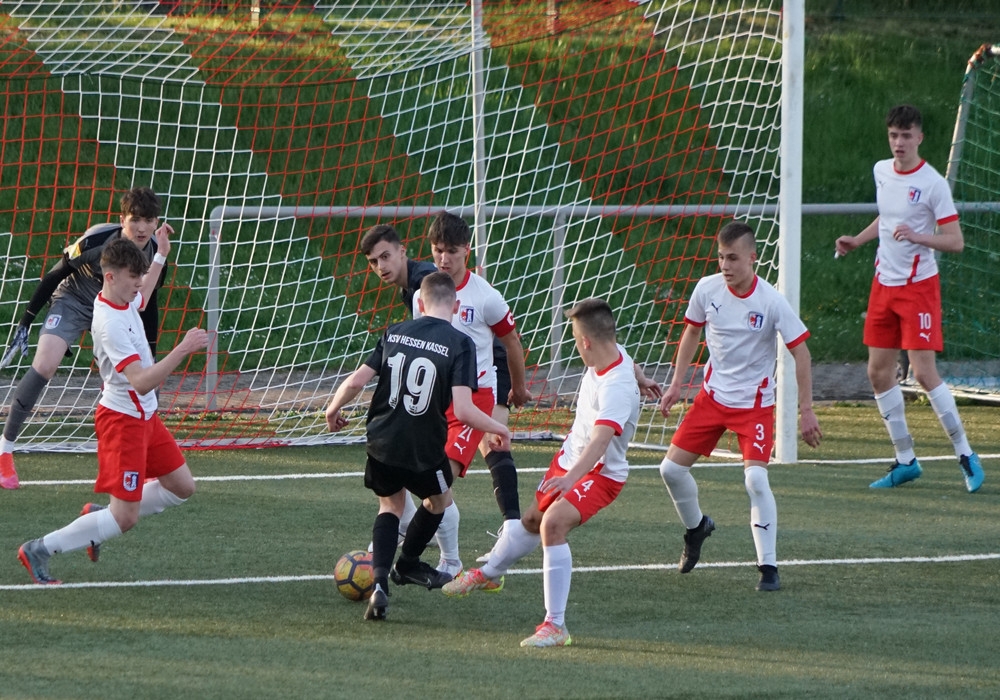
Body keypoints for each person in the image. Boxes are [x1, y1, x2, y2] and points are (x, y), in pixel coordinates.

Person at [443, 298, 640, 648]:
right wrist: (646, 378)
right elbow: (630, 363)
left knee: (553, 525)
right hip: (571, 458)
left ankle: (556, 625)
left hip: (599, 473)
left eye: (575, 340)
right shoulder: (613, 354)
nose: (576, 346)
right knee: (533, 521)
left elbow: (601, 441)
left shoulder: (616, 387)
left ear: (586, 342)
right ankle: (488, 575)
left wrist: (570, 479)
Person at [17, 238, 207, 585]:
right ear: (110, 277)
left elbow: (143, 295)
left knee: (182, 487)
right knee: (125, 519)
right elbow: (142, 382)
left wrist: (161, 254)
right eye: (134, 276)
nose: (139, 282)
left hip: (146, 417)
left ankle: (98, 519)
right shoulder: (109, 324)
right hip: (123, 423)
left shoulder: (124, 297)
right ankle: (39, 549)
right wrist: (182, 349)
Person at [325, 271, 511, 621]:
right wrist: (498, 427)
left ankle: (379, 585)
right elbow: (465, 410)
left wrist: (332, 409)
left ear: (420, 304)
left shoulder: (394, 331)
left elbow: (357, 380)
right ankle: (407, 563)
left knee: (390, 506)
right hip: (423, 447)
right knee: (439, 500)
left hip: (381, 439)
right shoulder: (460, 343)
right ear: (455, 306)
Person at [657, 221, 822, 592]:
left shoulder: (771, 301)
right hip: (712, 399)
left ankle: (768, 567)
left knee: (756, 479)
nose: (725, 265)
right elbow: (692, 332)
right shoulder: (707, 289)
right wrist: (676, 384)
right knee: (670, 470)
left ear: (752, 258)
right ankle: (697, 528)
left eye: (732, 258)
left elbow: (802, 353)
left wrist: (806, 410)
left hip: (754, 405)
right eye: (720, 257)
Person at [835, 104, 984, 493]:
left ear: (920, 137)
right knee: (877, 372)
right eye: (893, 136)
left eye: (906, 135)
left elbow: (955, 241)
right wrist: (857, 240)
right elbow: (887, 219)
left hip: (918, 288)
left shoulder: (933, 184)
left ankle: (966, 454)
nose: (899, 143)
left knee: (923, 373)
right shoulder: (881, 171)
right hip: (883, 284)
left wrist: (919, 236)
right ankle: (905, 460)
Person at [359, 224, 521, 549]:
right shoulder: (417, 290)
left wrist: (518, 387)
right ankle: (412, 524)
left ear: (402, 252)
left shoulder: (435, 283)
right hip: (448, 382)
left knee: (471, 455)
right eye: (374, 261)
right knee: (410, 454)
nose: (380, 266)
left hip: (481, 374)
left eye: (385, 257)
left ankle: (506, 529)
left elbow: (507, 341)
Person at [0, 186, 171, 490]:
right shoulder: (97, 239)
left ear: (157, 222)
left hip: (116, 311)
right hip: (75, 301)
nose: (142, 228)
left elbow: (148, 303)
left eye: (149, 220)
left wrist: (150, 351)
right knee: (45, 364)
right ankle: (4, 452)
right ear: (122, 219)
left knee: (141, 382)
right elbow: (55, 274)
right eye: (135, 219)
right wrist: (26, 320)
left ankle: (143, 460)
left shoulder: (156, 255)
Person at [410, 212, 533, 577]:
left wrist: (518, 387)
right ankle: (442, 548)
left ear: (467, 250)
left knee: (449, 472)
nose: (443, 259)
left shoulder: (485, 297)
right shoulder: (422, 295)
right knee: (424, 475)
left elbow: (512, 342)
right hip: (436, 397)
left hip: (477, 394)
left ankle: (500, 533)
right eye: (437, 250)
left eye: (451, 251)